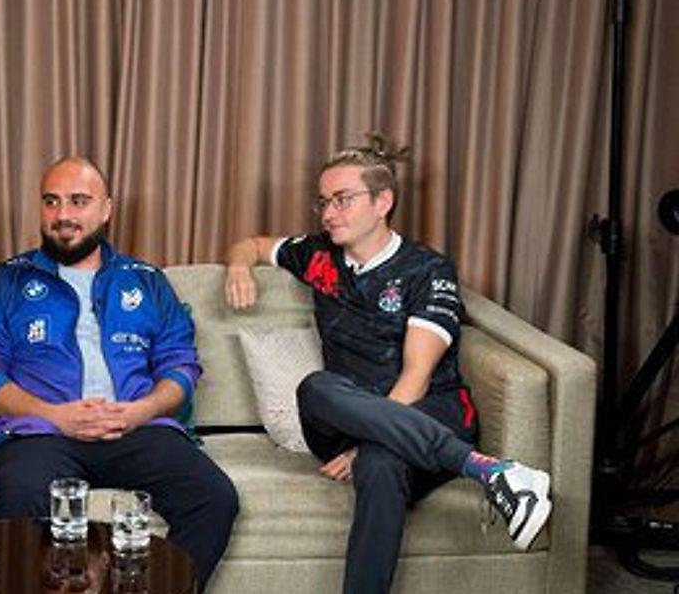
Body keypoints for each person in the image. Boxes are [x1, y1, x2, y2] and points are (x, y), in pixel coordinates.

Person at [222, 136, 552, 594]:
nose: (328, 213)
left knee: (379, 465)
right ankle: (490, 471)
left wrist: (369, 441)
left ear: (383, 202)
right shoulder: (317, 255)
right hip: (344, 418)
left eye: (342, 199)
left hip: (429, 410)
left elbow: (417, 375)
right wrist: (238, 267)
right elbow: (252, 245)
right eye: (323, 202)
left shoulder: (426, 270)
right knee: (315, 387)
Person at [0, 156, 239, 590]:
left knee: (214, 498)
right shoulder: (5, 280)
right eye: (51, 201)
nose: (63, 215)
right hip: (41, 433)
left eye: (78, 201)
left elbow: (181, 364)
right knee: (17, 498)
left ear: (106, 209)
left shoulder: (147, 281)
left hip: (136, 428)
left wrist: (141, 411)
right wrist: (55, 414)